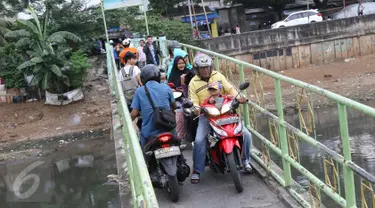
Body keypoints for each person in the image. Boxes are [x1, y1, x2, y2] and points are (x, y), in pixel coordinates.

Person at [188, 53, 253, 184]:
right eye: (202, 68)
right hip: (207, 115)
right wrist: (196, 108)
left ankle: (246, 160)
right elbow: (193, 101)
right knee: (199, 140)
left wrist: (239, 97)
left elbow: (230, 89)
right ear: (197, 69)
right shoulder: (193, 82)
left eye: (207, 67)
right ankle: (197, 170)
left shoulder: (218, 76)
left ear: (211, 67)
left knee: (246, 134)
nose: (205, 70)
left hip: (225, 111)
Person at [130, 64, 177, 149]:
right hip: (168, 128)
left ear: (143, 78)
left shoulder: (139, 91)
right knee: (177, 141)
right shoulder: (166, 87)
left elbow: (134, 114)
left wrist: (126, 122)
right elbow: (174, 106)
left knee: (144, 149)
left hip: (149, 133)